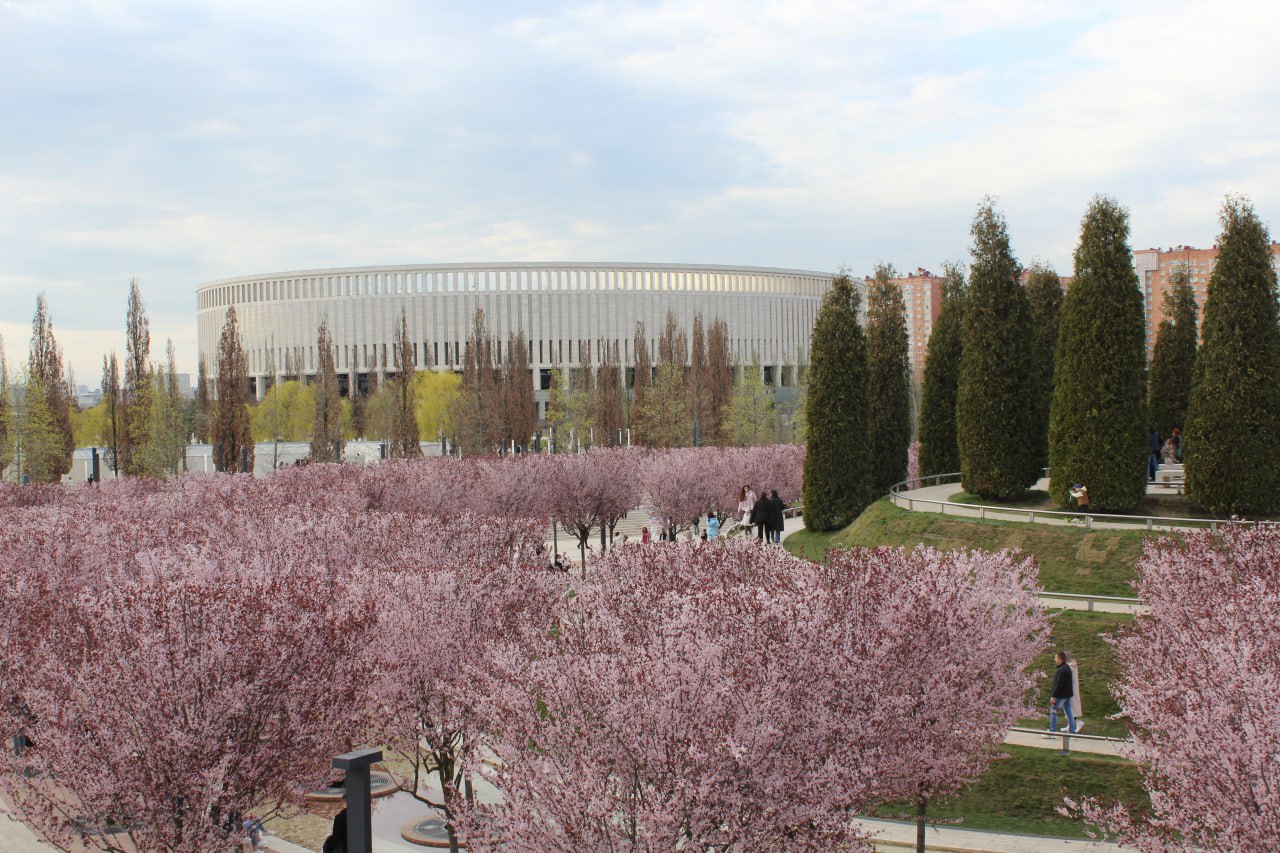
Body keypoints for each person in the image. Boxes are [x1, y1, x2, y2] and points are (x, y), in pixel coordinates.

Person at [1044, 651, 1079, 736]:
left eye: (1055, 658)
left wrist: (1054, 696)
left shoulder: (1061, 670)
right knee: (1069, 712)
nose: (1054, 659)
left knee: (1053, 711)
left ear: (1060, 659)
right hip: (1068, 695)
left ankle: (1052, 732)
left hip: (1061, 695)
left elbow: (1058, 684)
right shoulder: (1067, 667)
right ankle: (1072, 731)